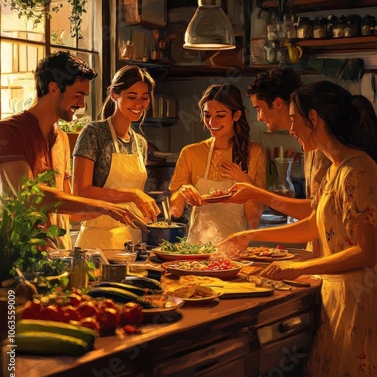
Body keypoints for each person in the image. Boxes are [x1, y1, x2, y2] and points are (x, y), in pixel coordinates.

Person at [223, 81, 377, 377]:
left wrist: (297, 267)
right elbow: (312, 226)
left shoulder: (359, 170)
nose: (290, 128)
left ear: (314, 118)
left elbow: (366, 252)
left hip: (358, 304)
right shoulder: (336, 169)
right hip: (335, 300)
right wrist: (250, 236)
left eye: (294, 119)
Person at [0, 51, 144, 250]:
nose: (82, 104)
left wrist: (119, 209)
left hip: (58, 253)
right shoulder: (9, 131)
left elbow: (75, 212)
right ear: (53, 88)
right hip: (20, 257)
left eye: (84, 96)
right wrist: (105, 206)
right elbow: (30, 197)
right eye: (77, 95)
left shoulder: (61, 139)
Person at [227, 68, 331, 253]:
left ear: (277, 104)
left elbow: (316, 213)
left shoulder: (320, 147)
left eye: (259, 109)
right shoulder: (307, 143)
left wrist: (257, 193)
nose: (258, 118)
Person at [72, 65, 160, 250]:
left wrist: (150, 221)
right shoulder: (93, 134)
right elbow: (81, 191)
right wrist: (132, 195)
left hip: (132, 243)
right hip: (97, 244)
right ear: (114, 94)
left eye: (144, 98)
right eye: (131, 96)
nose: (139, 104)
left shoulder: (140, 143)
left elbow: (137, 202)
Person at [169, 83, 266, 247]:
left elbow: (254, 220)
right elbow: (175, 212)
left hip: (235, 250)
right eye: (207, 115)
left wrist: (245, 181)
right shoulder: (190, 153)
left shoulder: (254, 153)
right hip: (196, 250)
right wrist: (182, 193)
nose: (212, 122)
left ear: (236, 115)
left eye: (220, 115)